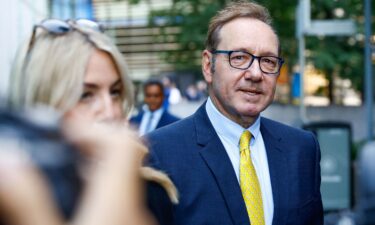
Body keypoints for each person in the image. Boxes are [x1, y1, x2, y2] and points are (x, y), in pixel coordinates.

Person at [146, 1, 323, 225]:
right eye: (239, 57)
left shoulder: (302, 149)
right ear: (208, 66)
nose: (256, 73)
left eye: (267, 61)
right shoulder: (158, 154)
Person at [6, 18, 178, 223]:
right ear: (41, 100)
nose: (110, 112)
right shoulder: (11, 189)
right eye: (85, 95)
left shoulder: (146, 188)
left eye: (115, 92)